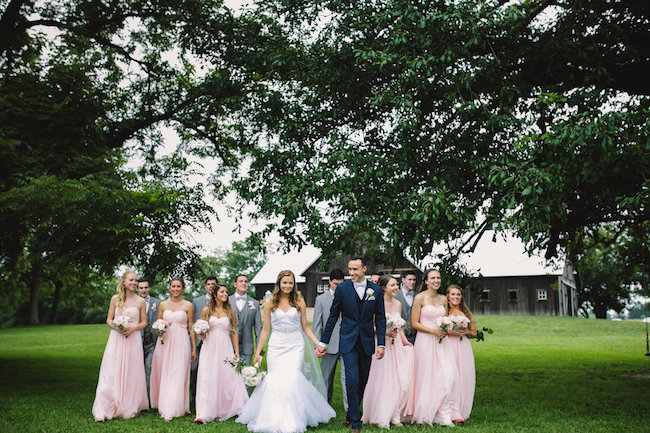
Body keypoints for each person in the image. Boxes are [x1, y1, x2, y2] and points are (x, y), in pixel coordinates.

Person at [237, 270, 335, 433]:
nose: (288, 286)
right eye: (285, 282)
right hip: (277, 345)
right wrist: (258, 352)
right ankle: (274, 417)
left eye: (290, 283)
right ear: (279, 284)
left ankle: (292, 418)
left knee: (292, 379)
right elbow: (265, 330)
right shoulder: (270, 302)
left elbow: (305, 327)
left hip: (295, 345)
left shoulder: (299, 301)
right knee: (275, 381)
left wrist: (318, 343)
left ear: (294, 284)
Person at [318, 257, 387, 433]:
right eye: (350, 269)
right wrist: (323, 342)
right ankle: (356, 422)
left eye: (355, 269)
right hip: (347, 341)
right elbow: (333, 316)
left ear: (364, 268)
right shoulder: (342, 289)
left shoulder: (376, 290)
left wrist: (382, 344)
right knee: (351, 380)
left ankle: (351, 413)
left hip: (367, 341)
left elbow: (379, 318)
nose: (352, 273)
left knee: (362, 380)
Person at [403, 269, 458, 427]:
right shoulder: (419, 298)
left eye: (438, 278)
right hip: (426, 340)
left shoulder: (443, 298)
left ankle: (443, 413)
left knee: (448, 376)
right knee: (428, 376)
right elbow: (414, 323)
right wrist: (433, 330)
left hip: (442, 342)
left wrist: (446, 328)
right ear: (426, 281)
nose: (436, 280)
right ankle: (427, 411)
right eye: (432, 278)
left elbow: (445, 319)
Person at [92, 270, 148, 421]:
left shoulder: (140, 301)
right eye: (131, 280)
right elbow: (109, 319)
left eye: (136, 280)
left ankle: (127, 405)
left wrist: (132, 328)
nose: (134, 283)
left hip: (133, 339)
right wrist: (117, 327)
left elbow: (144, 322)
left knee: (131, 371)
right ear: (124, 282)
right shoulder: (115, 299)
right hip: (116, 339)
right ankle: (103, 408)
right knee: (110, 371)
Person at [362, 275, 413, 428]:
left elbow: (399, 326)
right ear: (384, 288)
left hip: (395, 344)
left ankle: (395, 415)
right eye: (392, 285)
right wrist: (384, 333)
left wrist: (404, 342)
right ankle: (380, 413)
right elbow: (370, 324)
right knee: (383, 379)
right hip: (381, 344)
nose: (396, 287)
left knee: (398, 379)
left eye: (397, 285)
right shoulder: (376, 303)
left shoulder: (398, 304)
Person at [194, 284, 248, 424]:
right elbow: (201, 332)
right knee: (208, 376)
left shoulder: (231, 311)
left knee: (227, 376)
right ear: (215, 294)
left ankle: (227, 407)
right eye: (222, 292)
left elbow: (234, 332)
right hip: (209, 347)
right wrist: (201, 332)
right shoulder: (206, 310)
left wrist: (236, 351)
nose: (225, 294)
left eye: (226, 292)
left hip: (225, 347)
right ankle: (205, 412)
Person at [150, 277, 197, 421]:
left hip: (182, 341)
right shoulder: (163, 305)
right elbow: (158, 323)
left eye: (178, 286)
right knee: (165, 371)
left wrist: (194, 348)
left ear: (183, 289)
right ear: (169, 288)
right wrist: (158, 331)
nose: (176, 289)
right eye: (173, 286)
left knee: (178, 372)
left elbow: (191, 327)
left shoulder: (188, 305)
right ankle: (163, 402)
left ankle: (175, 406)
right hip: (165, 341)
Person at [312, 268, 348, 410]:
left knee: (347, 380)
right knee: (325, 379)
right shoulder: (320, 299)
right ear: (329, 282)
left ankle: (349, 412)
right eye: (335, 284)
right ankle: (323, 409)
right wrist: (318, 345)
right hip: (328, 345)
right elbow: (317, 324)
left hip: (346, 344)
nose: (338, 287)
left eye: (341, 284)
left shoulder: (348, 296)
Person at [446, 284, 476, 423]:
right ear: (447, 296)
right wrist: (453, 332)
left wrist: (466, 332)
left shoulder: (467, 313)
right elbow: (440, 328)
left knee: (463, 377)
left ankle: (461, 410)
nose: (456, 297)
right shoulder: (444, 312)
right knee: (450, 377)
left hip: (463, 347)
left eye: (458, 294)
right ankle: (450, 411)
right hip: (448, 345)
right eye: (453, 294)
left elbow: (473, 333)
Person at [190, 276, 217, 409]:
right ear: (205, 287)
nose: (211, 286)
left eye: (213, 284)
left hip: (215, 342)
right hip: (199, 342)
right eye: (209, 284)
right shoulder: (196, 301)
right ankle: (194, 399)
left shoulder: (221, 302)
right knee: (194, 369)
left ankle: (212, 399)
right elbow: (193, 322)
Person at [229, 274, 262, 366]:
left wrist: (259, 349)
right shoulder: (226, 301)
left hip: (247, 348)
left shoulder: (254, 303)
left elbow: (258, 328)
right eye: (241, 281)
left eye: (246, 281)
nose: (244, 283)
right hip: (228, 346)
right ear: (235, 284)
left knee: (245, 377)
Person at [137, 277, 160, 403]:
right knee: (136, 369)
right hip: (136, 341)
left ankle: (148, 398)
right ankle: (137, 397)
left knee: (150, 368)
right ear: (137, 289)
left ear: (149, 288)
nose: (144, 290)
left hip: (152, 342)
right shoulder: (133, 302)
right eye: (141, 288)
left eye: (146, 287)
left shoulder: (158, 303)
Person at [394, 270, 417, 344]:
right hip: (398, 336)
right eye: (410, 279)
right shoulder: (395, 295)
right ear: (403, 280)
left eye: (414, 280)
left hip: (415, 337)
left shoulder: (417, 296)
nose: (412, 282)